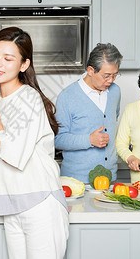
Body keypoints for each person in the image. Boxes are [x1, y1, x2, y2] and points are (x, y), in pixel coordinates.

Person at [0, 27, 69, 259]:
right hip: (11, 207)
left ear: (23, 65)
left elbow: (11, 151)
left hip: (39, 203)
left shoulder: (28, 98)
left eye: (8, 58)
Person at [54, 43, 122, 183]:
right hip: (76, 181)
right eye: (106, 76)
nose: (110, 80)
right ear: (91, 70)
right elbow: (58, 140)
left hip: (109, 179)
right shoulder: (67, 96)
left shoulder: (115, 91)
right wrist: (89, 140)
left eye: (115, 75)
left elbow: (112, 121)